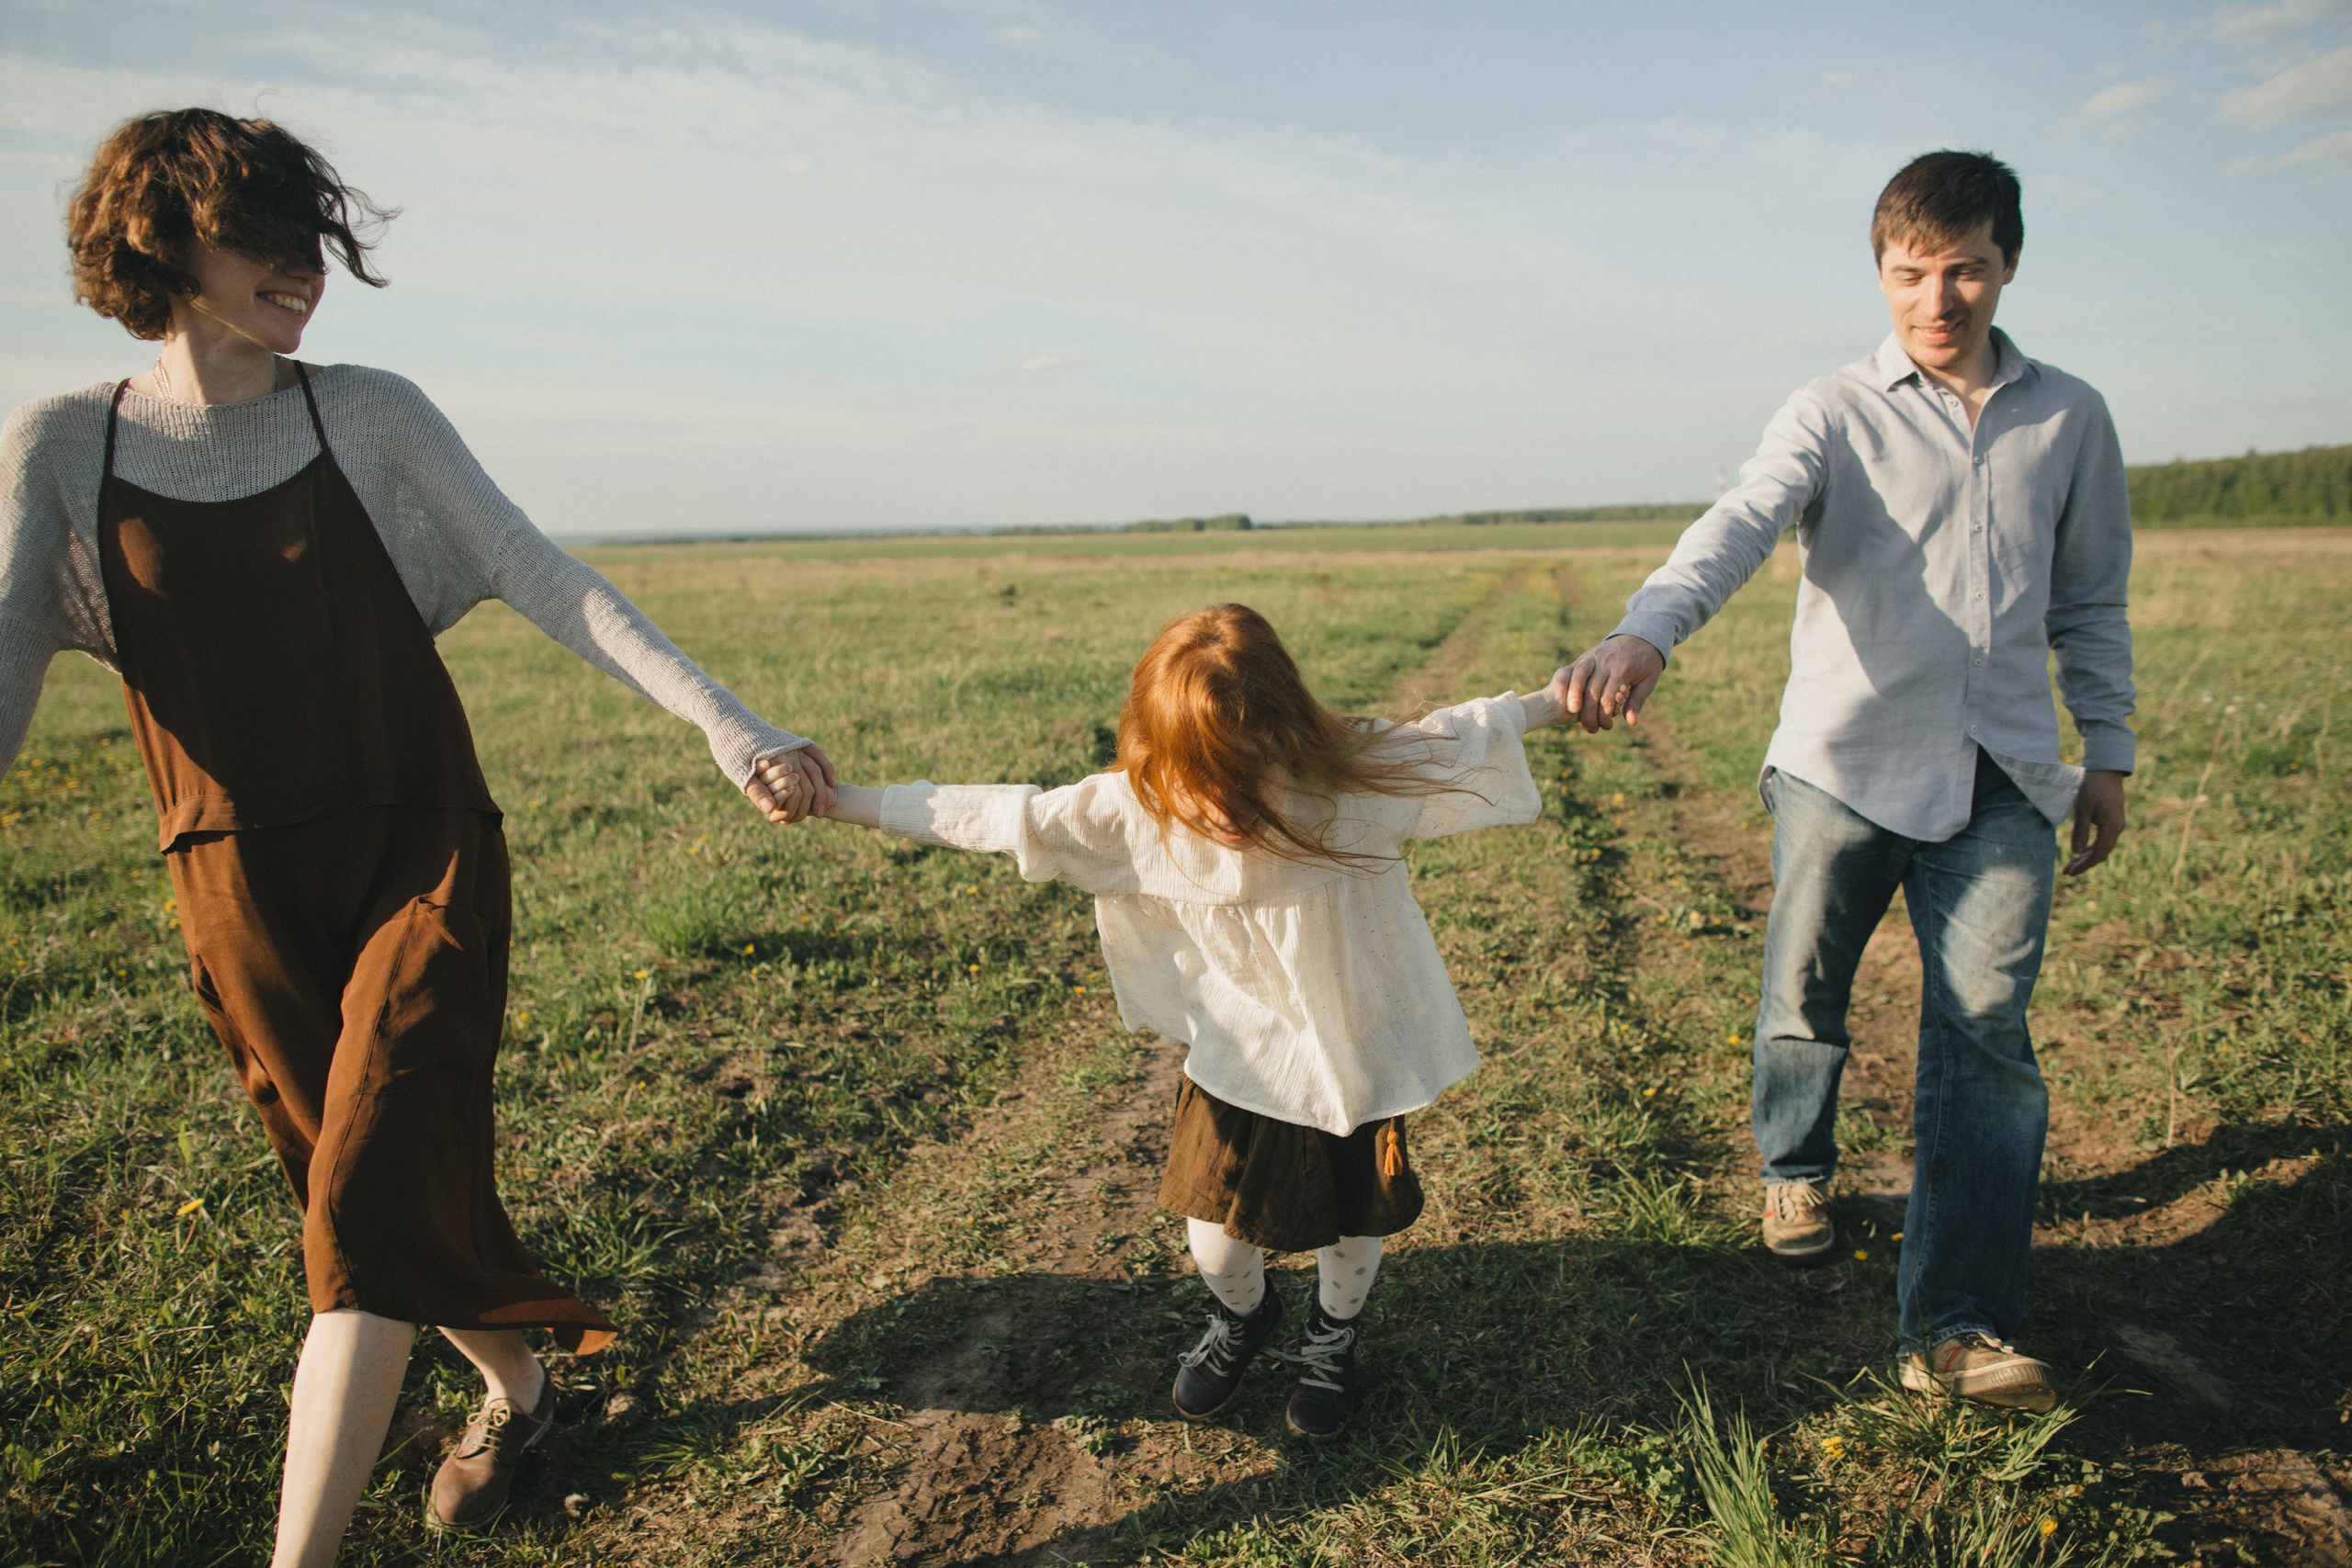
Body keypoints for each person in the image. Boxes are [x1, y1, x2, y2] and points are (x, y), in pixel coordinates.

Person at [0, 109, 835, 1563]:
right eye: (258, 236)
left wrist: (728, 720)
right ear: (158, 244)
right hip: (235, 887)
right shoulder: (70, 442)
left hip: (418, 853)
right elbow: (8, 656)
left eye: (310, 238)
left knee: (365, 1205)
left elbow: (539, 570)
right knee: (355, 1191)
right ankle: (520, 1384)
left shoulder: (365, 411)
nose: (300, 268)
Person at [1558, 151, 2133, 1413]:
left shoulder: (2072, 416)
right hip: (1841, 764)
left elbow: (2090, 601)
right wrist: (1647, 629)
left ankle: (1960, 1324)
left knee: (1985, 1033)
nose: (1940, 297)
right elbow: (1743, 519)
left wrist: (2110, 751)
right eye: (1912, 272)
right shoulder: (1830, 408)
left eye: (1966, 267)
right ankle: (1795, 1154)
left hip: (2003, 776)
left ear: (2008, 264)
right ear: (1881, 273)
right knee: (1805, 986)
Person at [777, 604, 1569, 1437]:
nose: (1223, 803)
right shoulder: (1138, 810)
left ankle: (1332, 1339)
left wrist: (1563, 696)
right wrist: (838, 801)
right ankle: (1245, 1316)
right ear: (1162, 752)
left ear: (1288, 734)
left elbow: (1466, 732)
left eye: (1248, 770)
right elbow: (1002, 817)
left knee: (1351, 1222)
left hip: (1352, 1050)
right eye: (1203, 774)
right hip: (1239, 1065)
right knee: (1216, 1242)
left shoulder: (1350, 775)